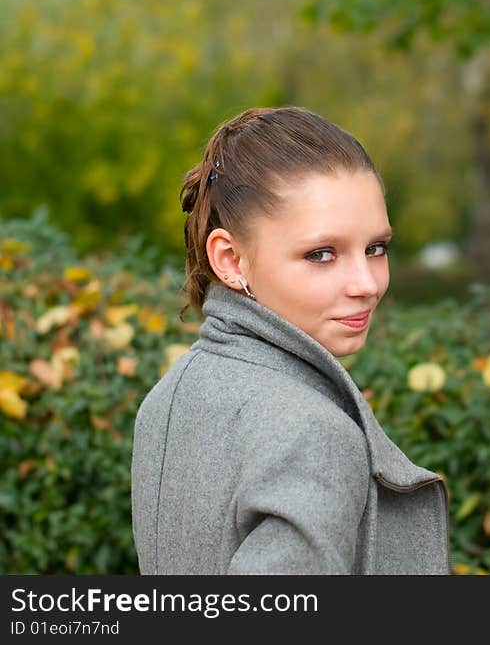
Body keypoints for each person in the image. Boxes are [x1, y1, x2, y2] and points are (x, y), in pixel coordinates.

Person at [131, 106, 450, 574]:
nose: (366, 283)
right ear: (231, 259)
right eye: (322, 254)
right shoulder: (312, 431)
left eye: (375, 248)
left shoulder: (171, 394)